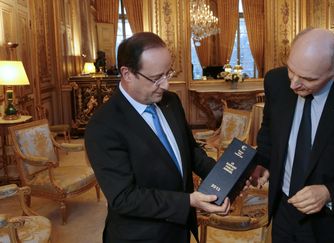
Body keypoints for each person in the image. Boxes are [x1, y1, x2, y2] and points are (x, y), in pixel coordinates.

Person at [85, 32, 229, 243]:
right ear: (127, 74)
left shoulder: (170, 101)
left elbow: (190, 151)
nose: (165, 85)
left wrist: (224, 177)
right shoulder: (103, 126)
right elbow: (124, 198)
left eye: (167, 73)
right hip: (141, 236)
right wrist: (188, 201)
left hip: (179, 230)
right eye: (155, 78)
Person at [251, 28, 334, 243]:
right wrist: (264, 161)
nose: (293, 84)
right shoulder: (275, 81)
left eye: (307, 78)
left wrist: (328, 193)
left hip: (331, 224)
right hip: (282, 211)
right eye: (291, 69)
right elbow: (270, 129)